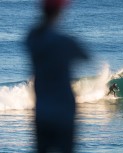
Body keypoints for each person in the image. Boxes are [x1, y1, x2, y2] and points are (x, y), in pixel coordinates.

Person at [25, 0, 88, 152]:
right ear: (60, 12)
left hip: (42, 110)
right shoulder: (65, 41)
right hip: (64, 111)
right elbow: (85, 56)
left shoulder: (32, 39)